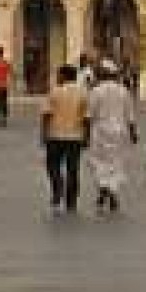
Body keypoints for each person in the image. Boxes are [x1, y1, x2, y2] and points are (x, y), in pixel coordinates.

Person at [85, 60, 140, 214]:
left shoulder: (96, 91)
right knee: (116, 163)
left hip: (100, 131)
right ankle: (112, 192)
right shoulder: (123, 91)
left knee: (99, 162)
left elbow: (89, 115)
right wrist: (133, 133)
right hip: (119, 132)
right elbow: (130, 115)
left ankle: (104, 190)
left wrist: (86, 135)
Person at [43, 64, 88, 213]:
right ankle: (71, 200)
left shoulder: (55, 91)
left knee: (52, 165)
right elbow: (86, 118)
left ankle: (58, 188)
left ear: (64, 76)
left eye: (58, 74)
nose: (57, 77)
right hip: (75, 136)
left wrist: (44, 133)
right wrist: (86, 136)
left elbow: (47, 114)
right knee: (73, 168)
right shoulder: (83, 93)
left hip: (55, 135)